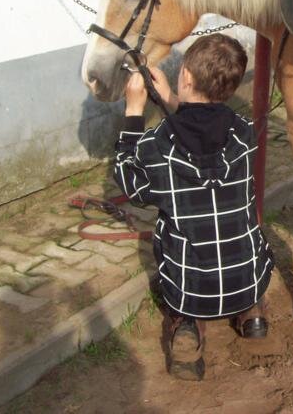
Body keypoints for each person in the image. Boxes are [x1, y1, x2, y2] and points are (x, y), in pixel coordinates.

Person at [114, 34, 274, 381]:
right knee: (242, 230)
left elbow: (129, 182)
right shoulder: (246, 134)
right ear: (231, 87)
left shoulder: (157, 145)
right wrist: (172, 100)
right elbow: (204, 126)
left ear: (185, 76)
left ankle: (188, 325)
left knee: (168, 237)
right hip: (247, 277)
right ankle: (252, 313)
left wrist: (134, 111)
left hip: (192, 288)